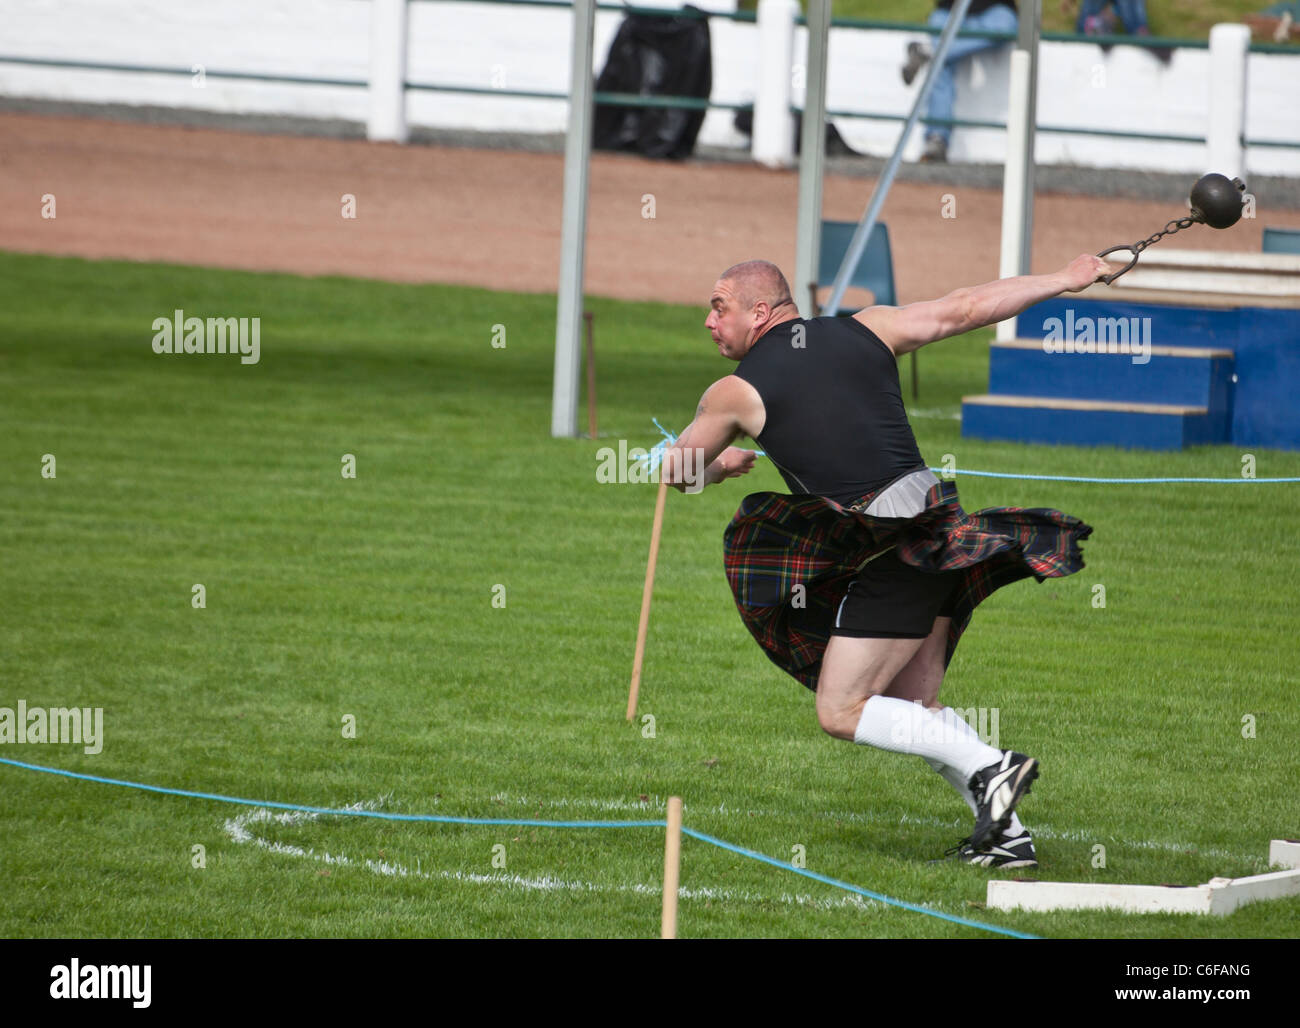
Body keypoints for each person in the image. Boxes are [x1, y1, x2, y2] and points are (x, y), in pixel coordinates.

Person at [659, 254, 1106, 866]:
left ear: (759, 313)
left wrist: (717, 467)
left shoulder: (733, 392)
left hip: (893, 548)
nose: (710, 321)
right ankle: (1008, 839)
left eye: (719, 306)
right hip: (940, 533)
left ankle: (992, 766)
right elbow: (967, 307)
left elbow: (674, 472)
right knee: (915, 708)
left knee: (841, 709)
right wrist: (1066, 277)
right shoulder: (869, 327)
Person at [900, 1, 1020, 163]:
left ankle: (930, 51)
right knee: (941, 58)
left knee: (1005, 26)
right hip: (950, 10)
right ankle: (937, 138)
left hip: (995, 9)